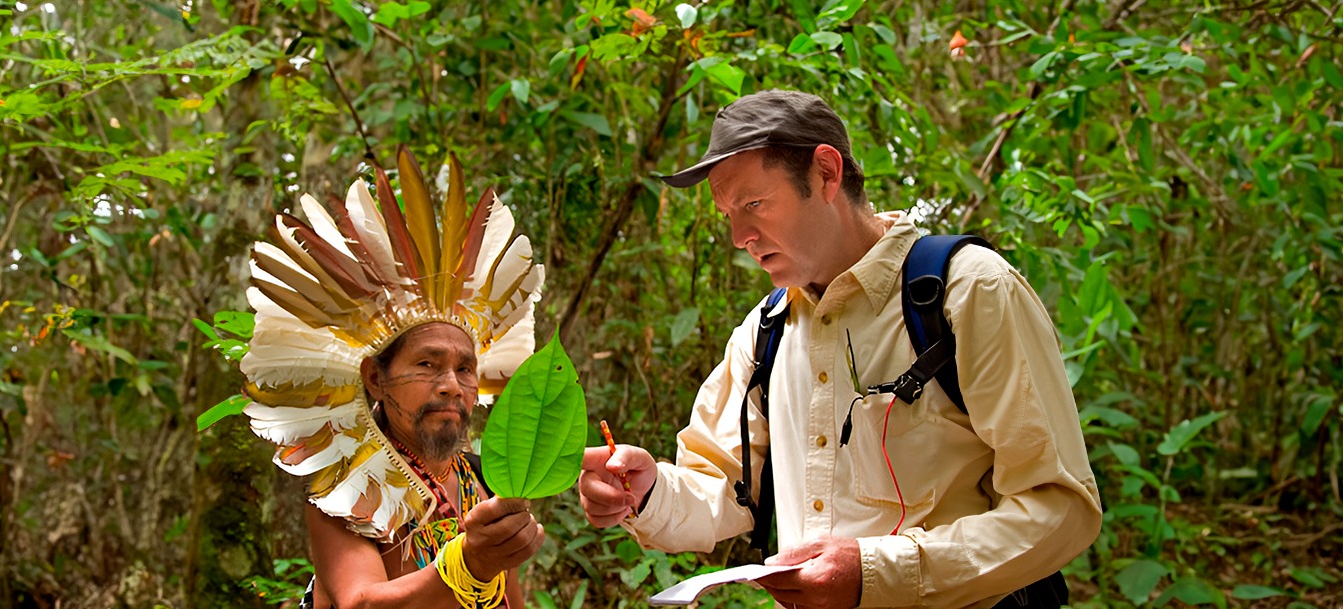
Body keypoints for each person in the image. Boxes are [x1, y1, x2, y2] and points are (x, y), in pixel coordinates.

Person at [577, 90, 1102, 609]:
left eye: (754, 204)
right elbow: (722, 490)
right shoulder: (767, 330)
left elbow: (1060, 509)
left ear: (826, 173)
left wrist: (875, 573)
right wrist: (644, 492)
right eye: (727, 214)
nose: (739, 236)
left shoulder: (968, 292)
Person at [235, 149, 547, 608]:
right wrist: (468, 565)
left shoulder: (483, 480)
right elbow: (359, 602)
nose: (450, 385)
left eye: (464, 369)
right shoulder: (344, 482)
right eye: (426, 364)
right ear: (375, 379)